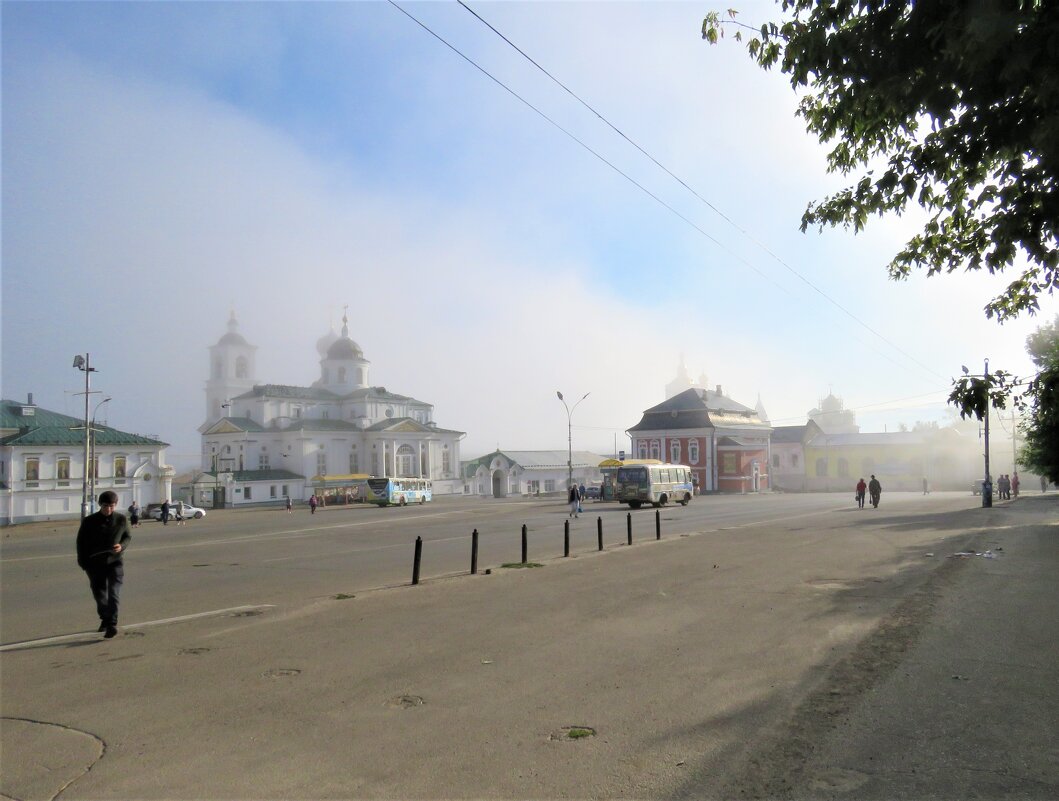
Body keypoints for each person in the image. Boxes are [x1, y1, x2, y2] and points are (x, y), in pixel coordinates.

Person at [76, 490, 131, 639]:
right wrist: (83, 563)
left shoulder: (121, 519)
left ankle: (111, 624)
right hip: (95, 564)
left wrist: (121, 546)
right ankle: (105, 619)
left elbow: (127, 537)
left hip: (115, 562)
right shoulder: (89, 521)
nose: (109, 509)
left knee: (114, 593)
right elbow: (81, 543)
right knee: (100, 595)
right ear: (100, 504)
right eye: (106, 506)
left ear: (115, 505)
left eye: (112, 506)